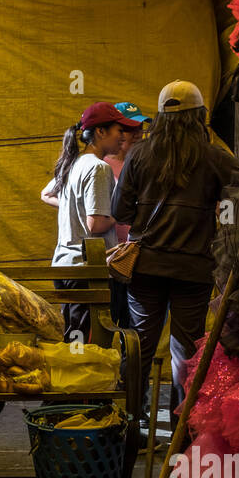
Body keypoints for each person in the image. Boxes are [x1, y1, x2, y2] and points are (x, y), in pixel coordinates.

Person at [111, 80, 239, 410]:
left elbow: (120, 211)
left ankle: (132, 421)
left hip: (146, 267)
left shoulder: (140, 154)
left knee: (140, 345)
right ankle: (182, 429)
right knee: (186, 351)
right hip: (194, 269)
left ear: (159, 117)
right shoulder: (214, 157)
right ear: (199, 116)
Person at [41, 102, 136, 341]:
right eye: (118, 130)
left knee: (75, 341)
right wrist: (125, 211)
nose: (122, 137)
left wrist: (76, 210)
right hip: (88, 270)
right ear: (100, 132)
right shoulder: (99, 168)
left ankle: (75, 379)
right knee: (91, 345)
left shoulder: (73, 163)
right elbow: (96, 224)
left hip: (65, 266)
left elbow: (50, 196)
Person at [103, 101, 151, 326]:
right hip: (112, 257)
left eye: (140, 128)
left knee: (137, 324)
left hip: (139, 255)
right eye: (132, 129)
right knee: (111, 320)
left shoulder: (145, 162)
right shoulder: (100, 165)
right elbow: (50, 193)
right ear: (118, 132)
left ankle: (134, 361)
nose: (139, 134)